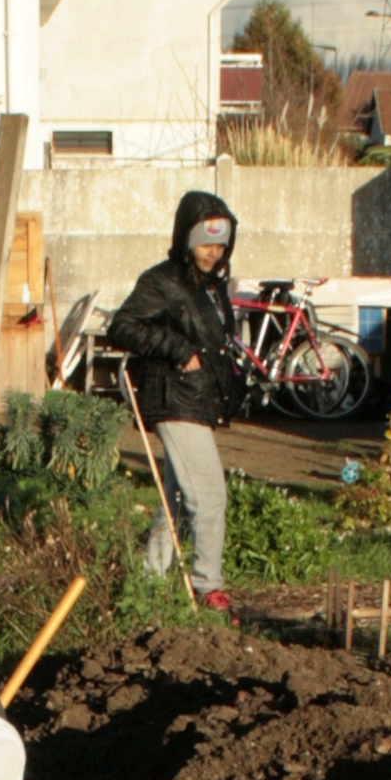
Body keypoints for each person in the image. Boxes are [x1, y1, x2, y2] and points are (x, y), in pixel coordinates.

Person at [106, 189, 241, 609]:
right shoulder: (162, 281)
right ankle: (207, 586)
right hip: (173, 399)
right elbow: (122, 326)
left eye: (221, 245)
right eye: (205, 244)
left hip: (196, 401)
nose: (214, 252)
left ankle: (149, 581)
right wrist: (179, 349)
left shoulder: (211, 286)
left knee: (179, 498)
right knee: (210, 495)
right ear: (186, 238)